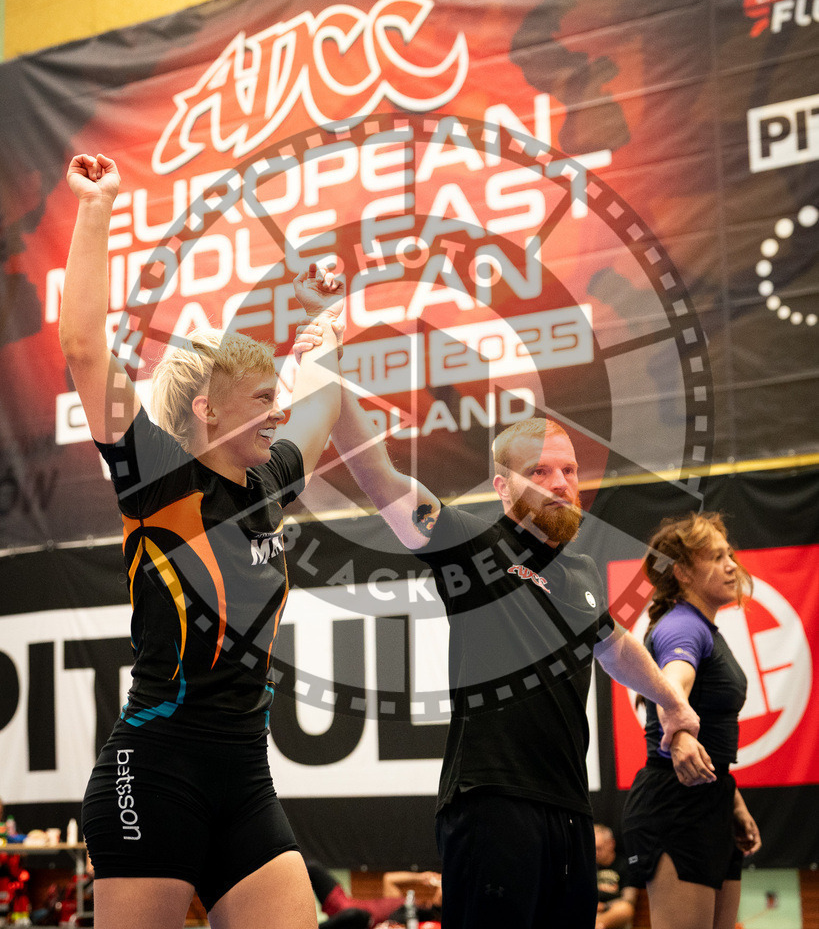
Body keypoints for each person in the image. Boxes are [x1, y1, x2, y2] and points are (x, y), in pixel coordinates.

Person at [291, 324, 706, 929]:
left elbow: (615, 649)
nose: (562, 485)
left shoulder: (581, 573)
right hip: (491, 802)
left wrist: (671, 705)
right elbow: (381, 480)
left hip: (568, 811)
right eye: (541, 472)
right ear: (502, 486)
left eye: (568, 471)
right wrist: (328, 382)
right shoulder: (469, 542)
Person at [59, 153, 343, 929]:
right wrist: (97, 207)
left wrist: (325, 334)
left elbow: (317, 410)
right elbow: (84, 347)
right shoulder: (159, 477)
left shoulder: (267, 483)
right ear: (209, 413)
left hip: (245, 779)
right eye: (261, 399)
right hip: (152, 777)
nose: (278, 412)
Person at [622, 512, 761, 929]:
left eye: (730, 554)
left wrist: (732, 802)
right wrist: (679, 733)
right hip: (674, 805)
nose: (732, 565)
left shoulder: (704, 628)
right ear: (682, 572)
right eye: (717, 557)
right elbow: (672, 685)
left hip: (711, 799)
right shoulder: (682, 627)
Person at [305, 861, 441, 927]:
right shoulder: (403, 900)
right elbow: (389, 878)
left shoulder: (420, 918)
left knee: (358, 915)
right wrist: (422, 877)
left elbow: (440, 900)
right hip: (344, 903)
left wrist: (442, 884)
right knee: (312, 868)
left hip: (357, 921)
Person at [594, 824, 637, 929]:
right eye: (592, 849)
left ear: (611, 844)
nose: (595, 853)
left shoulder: (625, 865)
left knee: (625, 909)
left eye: (599, 848)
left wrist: (604, 907)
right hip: (590, 910)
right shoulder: (587, 866)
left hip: (611, 911)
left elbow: (629, 900)